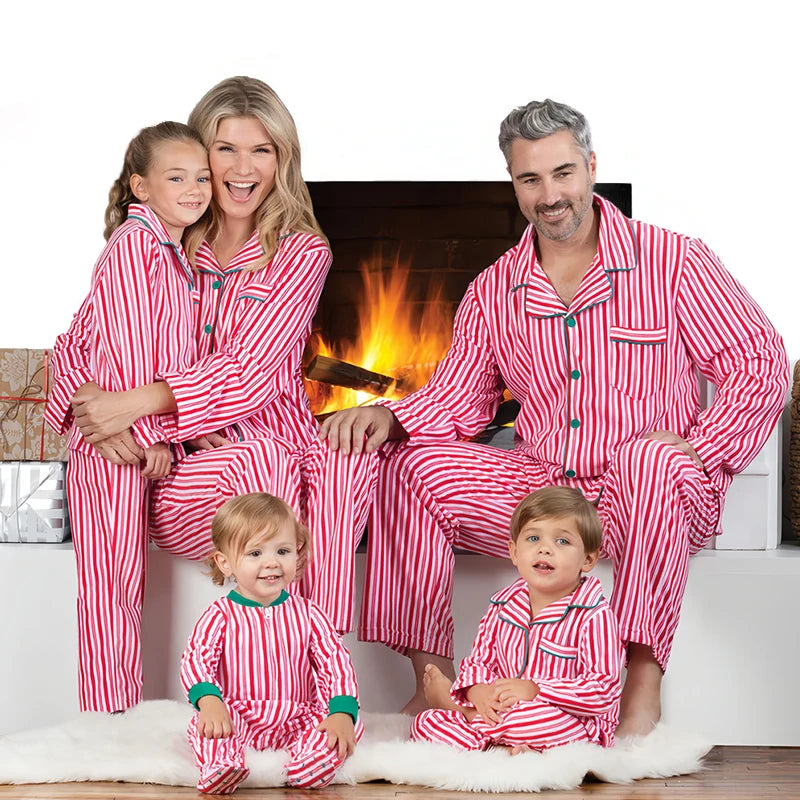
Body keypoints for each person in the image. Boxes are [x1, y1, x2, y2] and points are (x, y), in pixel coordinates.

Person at [320, 99, 790, 737]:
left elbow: (758, 359)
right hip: (542, 486)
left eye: (563, 173)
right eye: (530, 179)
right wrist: (391, 418)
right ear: (512, 183)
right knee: (414, 465)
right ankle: (437, 683)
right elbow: (461, 398)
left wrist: (700, 446)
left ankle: (641, 684)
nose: (550, 195)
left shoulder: (674, 260)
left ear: (592, 168)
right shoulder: (495, 288)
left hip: (651, 489)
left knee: (647, 459)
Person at [46, 77, 379, 711]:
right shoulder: (163, 240)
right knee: (119, 467)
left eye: (263, 151)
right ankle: (111, 717)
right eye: (225, 149)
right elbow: (74, 340)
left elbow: (250, 373)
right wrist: (95, 411)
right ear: (200, 156)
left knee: (291, 469)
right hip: (163, 466)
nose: (242, 168)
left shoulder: (300, 253)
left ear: (283, 160)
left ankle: (313, 693)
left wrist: (138, 406)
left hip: (245, 457)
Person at [43, 121, 212, 712]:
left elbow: (79, 341)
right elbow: (133, 345)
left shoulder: (169, 252)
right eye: (176, 177)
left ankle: (114, 718)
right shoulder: (137, 247)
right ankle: (108, 723)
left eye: (201, 177)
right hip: (116, 445)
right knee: (111, 587)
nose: (194, 188)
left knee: (118, 584)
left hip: (121, 431)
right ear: (140, 185)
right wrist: (152, 434)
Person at [412, 486, 621, 752]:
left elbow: (603, 689)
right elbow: (479, 662)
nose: (544, 549)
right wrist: (477, 692)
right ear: (513, 552)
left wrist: (537, 690)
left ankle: (474, 724)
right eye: (533, 539)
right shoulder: (502, 606)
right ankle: (498, 742)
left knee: (533, 720)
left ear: (588, 559)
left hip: (567, 718)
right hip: (502, 708)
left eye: (562, 541)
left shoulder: (594, 614)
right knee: (424, 723)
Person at [181, 493, 362, 793]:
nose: (272, 563)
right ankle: (223, 764)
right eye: (255, 554)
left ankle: (308, 765)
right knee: (203, 726)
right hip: (240, 717)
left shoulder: (309, 613)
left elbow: (335, 661)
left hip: (298, 717)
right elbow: (196, 660)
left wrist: (341, 711)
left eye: (282, 550)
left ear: (297, 552)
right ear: (225, 563)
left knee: (345, 725)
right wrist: (209, 701)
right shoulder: (220, 615)